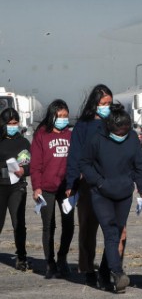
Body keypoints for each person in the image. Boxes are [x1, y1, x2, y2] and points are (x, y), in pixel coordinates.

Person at [79, 104, 142, 293]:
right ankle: (118, 274)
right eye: (118, 130)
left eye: (125, 130)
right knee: (110, 232)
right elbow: (84, 164)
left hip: (124, 193)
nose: (121, 133)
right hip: (101, 194)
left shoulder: (132, 138)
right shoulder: (96, 139)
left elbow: (139, 165)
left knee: (117, 233)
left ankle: (103, 272)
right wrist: (98, 182)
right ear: (109, 127)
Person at [65, 84, 119, 287]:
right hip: (87, 184)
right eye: (103, 103)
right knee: (87, 228)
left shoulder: (114, 123)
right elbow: (74, 156)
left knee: (113, 230)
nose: (106, 107)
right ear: (94, 103)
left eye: (109, 104)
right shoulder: (83, 126)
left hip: (111, 183)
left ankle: (107, 270)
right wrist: (71, 182)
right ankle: (87, 269)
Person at [30, 99, 74, 279]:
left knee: (69, 225)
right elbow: (35, 165)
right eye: (60, 116)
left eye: (66, 116)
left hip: (66, 189)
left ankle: (62, 257)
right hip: (46, 189)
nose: (63, 119)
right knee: (49, 226)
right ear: (52, 115)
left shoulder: (70, 135)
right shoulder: (41, 135)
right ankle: (50, 262)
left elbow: (75, 162)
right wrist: (36, 187)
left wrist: (73, 185)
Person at [0, 108, 32, 271]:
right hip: (1, 186)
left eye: (15, 123)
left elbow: (30, 164)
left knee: (18, 222)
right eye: (9, 123)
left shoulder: (23, 142)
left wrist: (23, 171)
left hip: (17, 187)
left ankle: (21, 257)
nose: (13, 126)